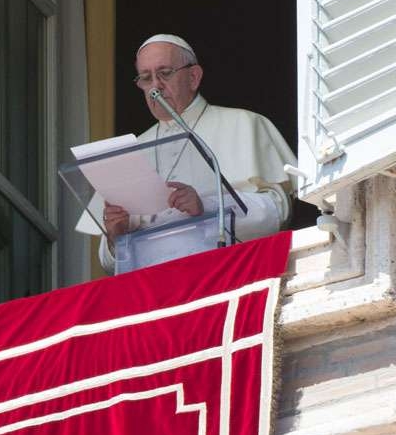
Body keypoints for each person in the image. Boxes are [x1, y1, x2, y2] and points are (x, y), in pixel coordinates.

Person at [97, 34, 297, 274]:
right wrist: (115, 236)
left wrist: (208, 208)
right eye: (146, 78)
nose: (155, 86)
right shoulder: (131, 152)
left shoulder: (243, 123)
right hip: (152, 289)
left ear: (193, 77)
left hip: (225, 274)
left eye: (165, 73)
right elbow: (109, 263)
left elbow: (278, 212)